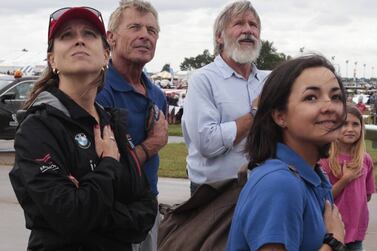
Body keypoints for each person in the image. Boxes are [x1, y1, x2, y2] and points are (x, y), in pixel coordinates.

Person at [9, 7, 157, 250]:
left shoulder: (112, 123)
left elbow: (146, 209)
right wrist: (108, 163)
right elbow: (71, 216)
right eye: (66, 36)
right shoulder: (37, 128)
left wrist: (93, 207)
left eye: (89, 34)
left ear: (105, 55)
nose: (79, 40)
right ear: (52, 60)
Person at [227, 55, 347, 251]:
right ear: (280, 116)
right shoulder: (278, 184)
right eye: (311, 97)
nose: (330, 107)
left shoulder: (311, 175)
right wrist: (334, 244)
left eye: (336, 97)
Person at [96, 1, 168, 250]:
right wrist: (152, 145)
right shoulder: (98, 92)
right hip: (114, 215)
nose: (144, 36)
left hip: (148, 207)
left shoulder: (156, 94)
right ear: (111, 38)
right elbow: (105, 169)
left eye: (151, 30)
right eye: (135, 27)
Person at [182, 0, 268, 194]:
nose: (248, 30)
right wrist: (255, 113)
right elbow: (208, 143)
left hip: (261, 189)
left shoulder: (268, 81)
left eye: (253, 25)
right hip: (213, 194)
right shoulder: (203, 79)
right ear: (219, 37)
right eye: (239, 23)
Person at [320, 104, 376, 251]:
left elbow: (367, 195)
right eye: (344, 124)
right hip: (331, 233)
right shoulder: (325, 160)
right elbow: (323, 199)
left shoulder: (366, 160)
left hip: (356, 232)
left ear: (361, 129)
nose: (350, 129)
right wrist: (345, 180)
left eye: (355, 124)